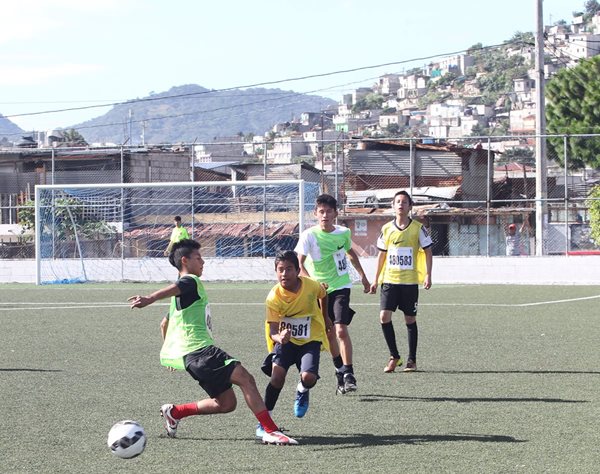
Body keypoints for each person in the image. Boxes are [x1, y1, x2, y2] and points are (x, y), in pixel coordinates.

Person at [128, 239, 297, 445]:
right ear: (185, 260)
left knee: (226, 403)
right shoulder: (190, 281)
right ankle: (270, 430)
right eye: (198, 258)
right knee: (247, 379)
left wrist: (173, 351)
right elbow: (177, 286)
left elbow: (164, 324)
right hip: (201, 351)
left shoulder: (180, 298)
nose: (203, 262)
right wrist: (150, 298)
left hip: (191, 356)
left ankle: (175, 412)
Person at [295, 193, 370, 395]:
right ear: (315, 213)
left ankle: (349, 373)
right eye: (321, 211)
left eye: (329, 211)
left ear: (335, 213)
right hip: (320, 291)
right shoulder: (308, 235)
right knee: (328, 332)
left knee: (340, 330)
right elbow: (299, 264)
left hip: (341, 285)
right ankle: (339, 371)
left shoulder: (343, 233)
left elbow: (350, 253)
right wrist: (313, 284)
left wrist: (363, 276)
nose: (325, 215)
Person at [256, 250, 331, 438]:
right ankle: (264, 422)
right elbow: (273, 330)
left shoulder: (311, 286)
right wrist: (280, 338)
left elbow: (323, 293)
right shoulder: (273, 297)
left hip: (310, 339)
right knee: (277, 378)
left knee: (309, 377)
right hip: (285, 341)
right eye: (280, 269)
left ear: (298, 271)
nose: (284, 274)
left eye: (289, 269)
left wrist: (326, 316)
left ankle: (302, 389)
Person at [370, 191, 433, 373]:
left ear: (410, 206)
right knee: (384, 317)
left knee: (410, 319)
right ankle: (394, 356)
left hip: (409, 282)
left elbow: (428, 251)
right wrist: (376, 280)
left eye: (404, 202)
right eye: (397, 201)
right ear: (392, 205)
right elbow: (381, 255)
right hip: (390, 281)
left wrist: (428, 274)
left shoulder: (418, 228)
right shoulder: (386, 229)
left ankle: (411, 360)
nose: (400, 205)